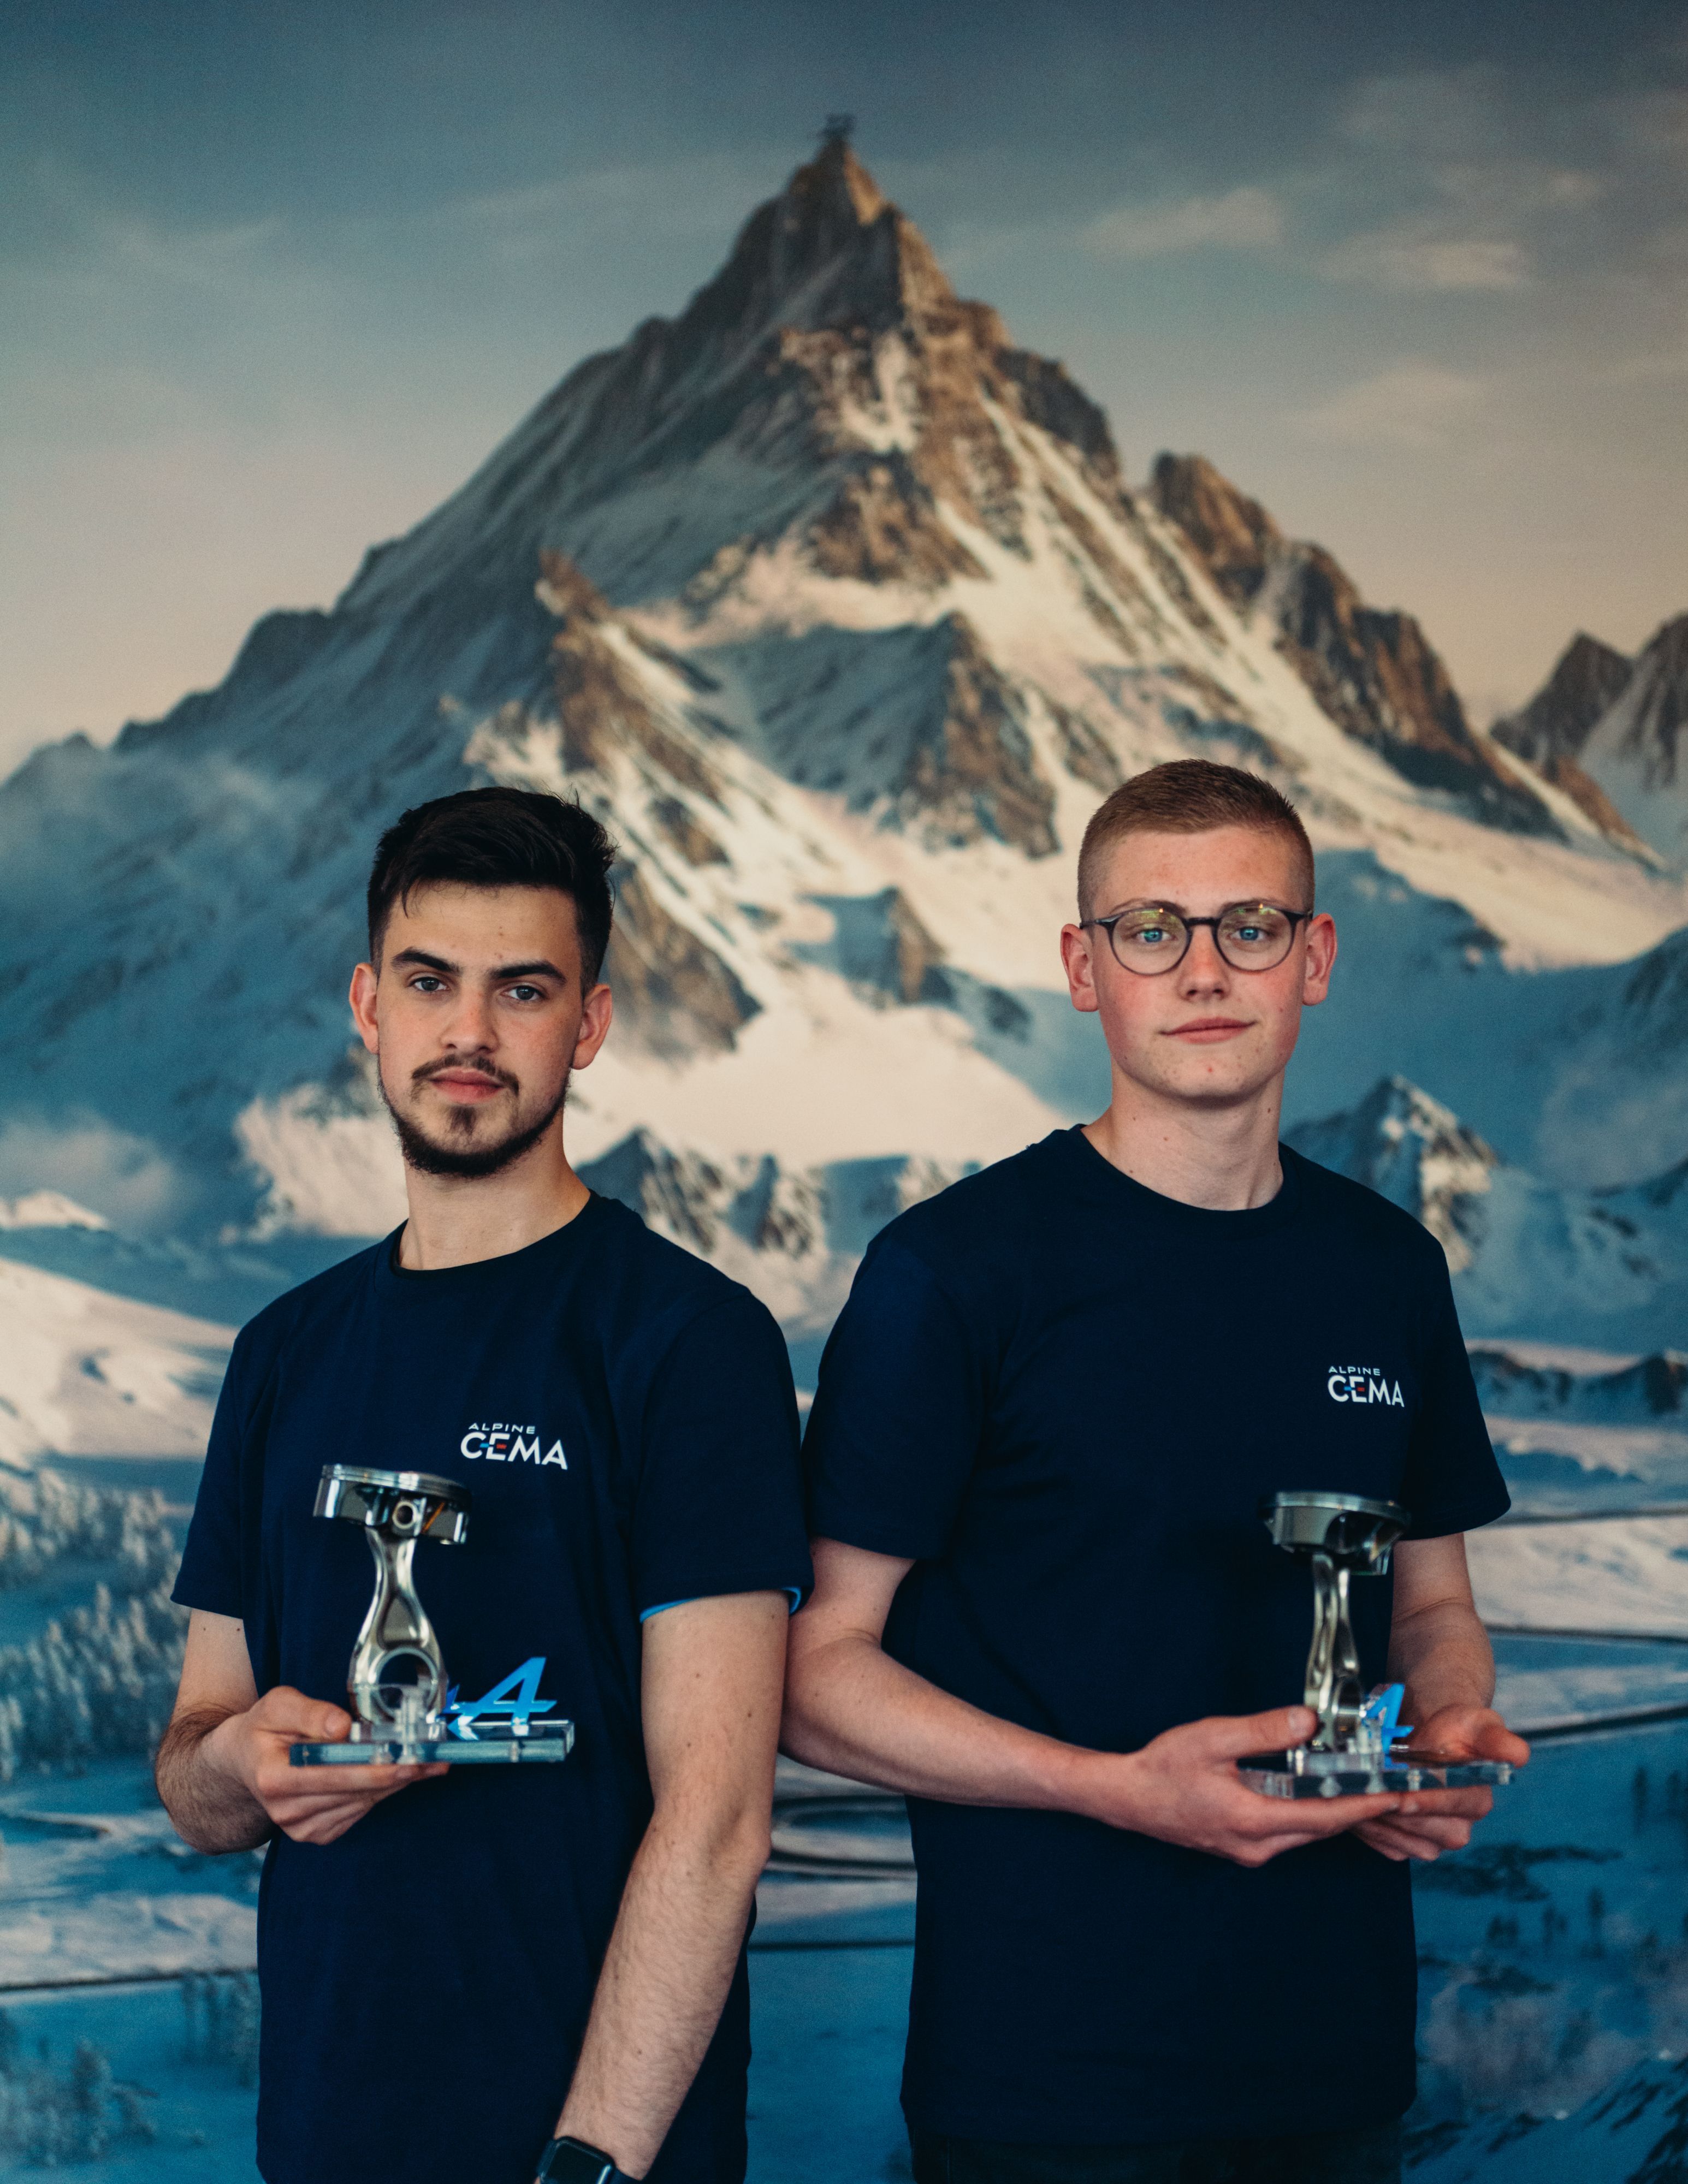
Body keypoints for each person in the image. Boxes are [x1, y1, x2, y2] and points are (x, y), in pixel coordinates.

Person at [784, 759, 1529, 2184]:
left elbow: (1431, 1604)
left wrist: (1443, 1727)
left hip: (1333, 2065)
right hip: (1044, 2083)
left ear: (1313, 957)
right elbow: (813, 1674)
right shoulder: (951, 1272)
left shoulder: (1385, 1269)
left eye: (1249, 925)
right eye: (1150, 929)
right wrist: (1109, 1786)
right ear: (1085, 967)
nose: (1203, 969)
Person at [156, 787, 812, 2184]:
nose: (469, 1031)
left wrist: (590, 2162)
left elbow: (716, 1820)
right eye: (428, 981)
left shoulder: (686, 1341)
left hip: (598, 2154)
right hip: (326, 2138)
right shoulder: (282, 1352)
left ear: (589, 1023)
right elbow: (194, 1772)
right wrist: (244, 1761)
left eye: (522, 989)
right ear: (367, 1005)